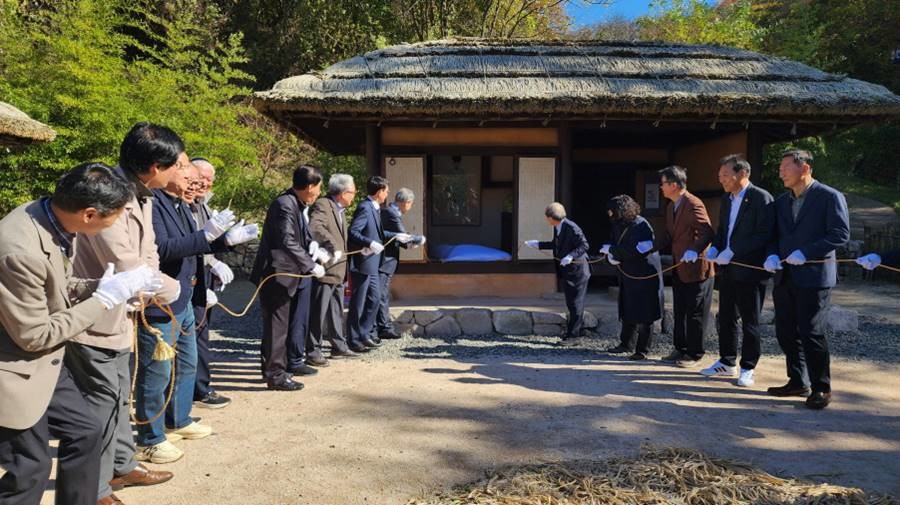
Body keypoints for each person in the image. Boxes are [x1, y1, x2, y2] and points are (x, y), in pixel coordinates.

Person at [0, 163, 158, 505]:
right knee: (31, 467)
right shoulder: (18, 250)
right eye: (114, 217)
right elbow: (35, 335)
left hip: (44, 364)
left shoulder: (52, 217)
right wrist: (104, 299)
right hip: (12, 367)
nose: (116, 223)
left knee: (86, 431)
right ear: (89, 214)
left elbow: (57, 286)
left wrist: (99, 286)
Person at [67, 124, 183, 504]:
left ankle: (121, 463)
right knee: (99, 405)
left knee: (119, 396)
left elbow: (148, 253)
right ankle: (96, 489)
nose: (178, 172)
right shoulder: (110, 196)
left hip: (124, 313)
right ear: (153, 166)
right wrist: (172, 289)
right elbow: (126, 262)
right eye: (175, 165)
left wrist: (154, 281)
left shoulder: (143, 196)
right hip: (95, 317)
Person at [764, 149, 850, 409]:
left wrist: (806, 251)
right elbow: (774, 236)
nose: (781, 173)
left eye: (785, 168)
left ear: (805, 168)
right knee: (785, 331)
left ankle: (821, 387)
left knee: (812, 332)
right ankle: (797, 380)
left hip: (814, 276)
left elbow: (840, 234)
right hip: (785, 275)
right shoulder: (781, 201)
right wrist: (771, 256)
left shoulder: (829, 197)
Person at [699, 154, 775, 388]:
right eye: (719, 175)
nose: (720, 179)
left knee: (750, 320)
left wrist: (735, 250)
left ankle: (748, 366)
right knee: (726, 316)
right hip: (729, 268)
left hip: (751, 269)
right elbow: (723, 230)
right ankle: (727, 360)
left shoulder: (761, 198)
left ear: (742, 174)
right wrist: (716, 249)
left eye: (724, 175)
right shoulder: (727, 199)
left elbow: (764, 234)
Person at [251, 165, 325, 391]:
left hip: (289, 275)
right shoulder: (285, 204)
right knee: (277, 327)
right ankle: (275, 375)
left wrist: (313, 245)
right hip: (277, 275)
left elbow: (299, 237)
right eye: (319, 188)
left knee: (281, 326)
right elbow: (286, 240)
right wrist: (310, 264)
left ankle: (276, 369)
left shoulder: (296, 203)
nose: (319, 193)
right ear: (310, 187)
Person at [189, 157, 242, 409]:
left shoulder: (203, 205)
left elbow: (208, 242)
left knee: (202, 334)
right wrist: (211, 263)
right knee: (194, 337)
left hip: (204, 276)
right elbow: (194, 242)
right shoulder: (185, 204)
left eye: (210, 179)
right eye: (202, 177)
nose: (206, 183)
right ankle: (197, 389)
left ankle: (201, 386)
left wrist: (219, 259)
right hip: (189, 279)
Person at [650, 166, 715, 367]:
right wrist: (651, 248)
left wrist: (695, 250)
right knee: (679, 309)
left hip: (696, 267)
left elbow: (706, 232)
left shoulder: (693, 203)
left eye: (663, 183)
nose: (661, 187)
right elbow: (671, 236)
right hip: (679, 266)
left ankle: (695, 353)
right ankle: (680, 348)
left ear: (674, 185)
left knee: (695, 311)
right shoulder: (671, 206)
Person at [601, 195, 663, 361]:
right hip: (627, 272)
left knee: (645, 312)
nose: (609, 213)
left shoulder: (641, 225)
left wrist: (613, 251)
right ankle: (626, 343)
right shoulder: (618, 223)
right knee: (627, 307)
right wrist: (610, 254)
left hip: (644, 273)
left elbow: (638, 250)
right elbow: (614, 242)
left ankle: (643, 349)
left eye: (612, 210)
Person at [308, 174, 359, 360]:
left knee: (336, 310)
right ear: (343, 193)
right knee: (318, 312)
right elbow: (315, 227)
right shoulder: (324, 204)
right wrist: (333, 246)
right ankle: (313, 350)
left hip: (339, 270)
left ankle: (338, 345)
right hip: (326, 270)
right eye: (352, 192)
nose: (354, 196)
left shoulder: (340, 210)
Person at [524, 202, 590, 345]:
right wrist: (538, 244)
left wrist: (571, 256)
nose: (546, 220)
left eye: (547, 217)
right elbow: (556, 244)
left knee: (576, 303)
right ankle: (574, 332)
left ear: (551, 217)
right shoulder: (558, 227)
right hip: (568, 270)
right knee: (571, 302)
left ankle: (574, 337)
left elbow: (584, 245)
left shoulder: (571, 227)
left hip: (578, 270)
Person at [346, 176, 390, 353]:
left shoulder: (375, 208)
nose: (387, 195)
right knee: (358, 303)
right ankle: (353, 339)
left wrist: (398, 236)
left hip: (372, 264)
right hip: (362, 263)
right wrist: (369, 243)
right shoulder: (365, 207)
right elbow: (353, 232)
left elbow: (378, 232)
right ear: (379, 192)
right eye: (386, 191)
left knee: (375, 298)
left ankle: (364, 333)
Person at [375, 188, 421, 340]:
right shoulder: (392, 213)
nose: (410, 207)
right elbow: (403, 237)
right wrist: (419, 239)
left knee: (381, 294)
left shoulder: (389, 211)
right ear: (406, 202)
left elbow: (398, 238)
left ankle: (381, 326)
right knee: (382, 295)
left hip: (386, 260)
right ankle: (383, 327)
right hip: (385, 260)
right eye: (410, 204)